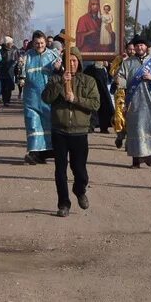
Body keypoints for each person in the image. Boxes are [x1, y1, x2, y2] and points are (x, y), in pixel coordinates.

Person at [42, 47, 101, 217]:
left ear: (79, 62)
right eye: (69, 61)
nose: (72, 64)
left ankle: (79, 189)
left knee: (80, 169)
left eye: (75, 61)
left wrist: (75, 99)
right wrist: (61, 82)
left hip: (79, 132)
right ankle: (63, 204)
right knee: (60, 170)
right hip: (59, 131)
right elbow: (46, 98)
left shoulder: (88, 81)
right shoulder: (54, 79)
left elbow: (95, 104)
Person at [116, 37, 151, 167]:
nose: (139, 48)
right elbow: (121, 77)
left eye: (142, 45)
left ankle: (150, 154)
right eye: (137, 46)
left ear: (146, 47)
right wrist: (119, 81)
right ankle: (136, 160)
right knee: (135, 129)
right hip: (134, 101)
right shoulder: (127, 63)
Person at [22, 30, 60, 164]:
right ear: (33, 43)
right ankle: (33, 153)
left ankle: (46, 153)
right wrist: (20, 75)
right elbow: (20, 72)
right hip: (31, 98)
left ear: (45, 42)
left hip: (48, 98)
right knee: (33, 125)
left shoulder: (53, 55)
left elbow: (61, 73)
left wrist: (57, 68)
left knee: (48, 125)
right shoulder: (27, 56)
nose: (39, 45)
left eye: (42, 43)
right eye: (37, 43)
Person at [109, 41, 136, 148]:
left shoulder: (136, 61)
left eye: (133, 49)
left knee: (131, 116)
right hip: (120, 92)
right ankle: (120, 135)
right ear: (126, 49)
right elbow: (112, 72)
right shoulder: (119, 59)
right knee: (119, 116)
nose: (132, 51)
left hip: (132, 92)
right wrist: (122, 64)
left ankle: (129, 141)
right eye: (130, 49)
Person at [83, 59, 114, 133]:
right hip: (89, 68)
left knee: (104, 105)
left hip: (102, 86)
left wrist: (108, 65)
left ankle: (104, 126)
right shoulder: (89, 67)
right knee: (92, 104)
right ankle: (91, 126)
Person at [0, 37, 18, 106]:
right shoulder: (1, 50)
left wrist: (15, 66)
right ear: (6, 43)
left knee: (9, 86)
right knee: (3, 86)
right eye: (9, 43)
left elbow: (17, 60)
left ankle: (7, 100)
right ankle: (5, 100)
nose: (11, 44)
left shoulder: (14, 50)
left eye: (11, 43)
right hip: (2, 70)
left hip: (11, 71)